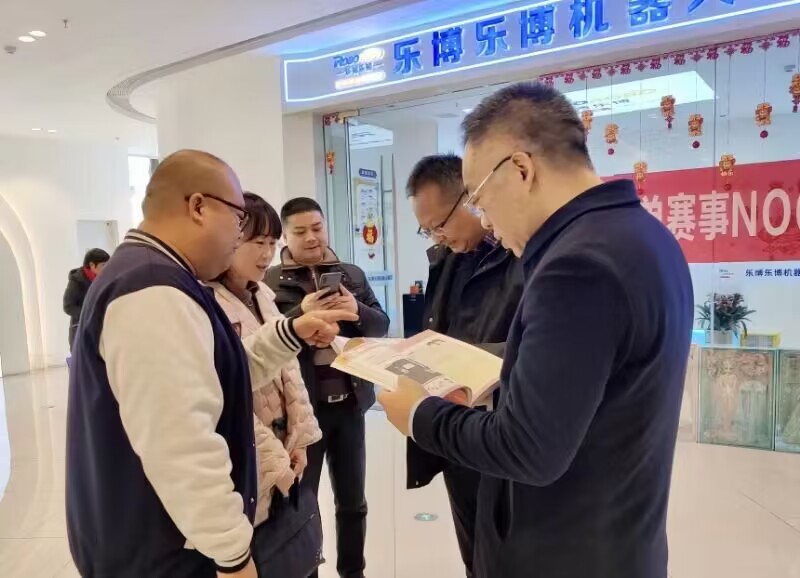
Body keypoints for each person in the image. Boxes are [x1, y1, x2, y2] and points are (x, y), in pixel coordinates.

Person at [379, 83, 694, 578]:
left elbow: (527, 448)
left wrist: (419, 415)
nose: (486, 221)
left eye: (480, 199)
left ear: (521, 169)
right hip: (617, 538)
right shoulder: (645, 235)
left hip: (561, 550)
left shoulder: (576, 265)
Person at [65, 150, 357, 578]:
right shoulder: (151, 289)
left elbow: (220, 376)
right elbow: (181, 442)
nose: (241, 238)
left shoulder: (160, 277)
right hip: (160, 550)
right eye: (239, 221)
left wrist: (291, 332)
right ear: (199, 207)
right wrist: (233, 553)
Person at [405, 153, 523, 577]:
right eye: (428, 230)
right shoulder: (447, 258)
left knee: (506, 555)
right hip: (455, 431)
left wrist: (466, 360)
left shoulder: (521, 254)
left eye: (440, 224)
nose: (437, 236)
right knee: (473, 552)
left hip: (503, 434)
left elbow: (535, 346)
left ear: (471, 198)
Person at [266, 197, 390, 578]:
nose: (311, 237)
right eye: (300, 231)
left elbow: (380, 325)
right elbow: (264, 338)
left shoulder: (350, 274)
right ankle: (309, 571)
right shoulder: (270, 282)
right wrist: (301, 319)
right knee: (303, 503)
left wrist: (355, 310)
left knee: (352, 500)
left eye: (317, 228)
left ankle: (353, 571)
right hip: (302, 412)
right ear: (285, 236)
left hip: (349, 404)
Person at [209, 192, 323, 576]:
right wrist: (276, 462)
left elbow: (291, 373)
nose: (267, 253)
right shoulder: (208, 303)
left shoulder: (262, 295)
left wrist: (300, 439)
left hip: (285, 448)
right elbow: (228, 394)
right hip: (251, 460)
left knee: (292, 545)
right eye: (258, 242)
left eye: (272, 243)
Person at [62, 247, 110, 351]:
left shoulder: (103, 279)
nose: (106, 268)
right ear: (92, 265)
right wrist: (89, 315)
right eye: (103, 265)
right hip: (81, 330)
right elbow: (68, 306)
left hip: (99, 330)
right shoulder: (76, 281)